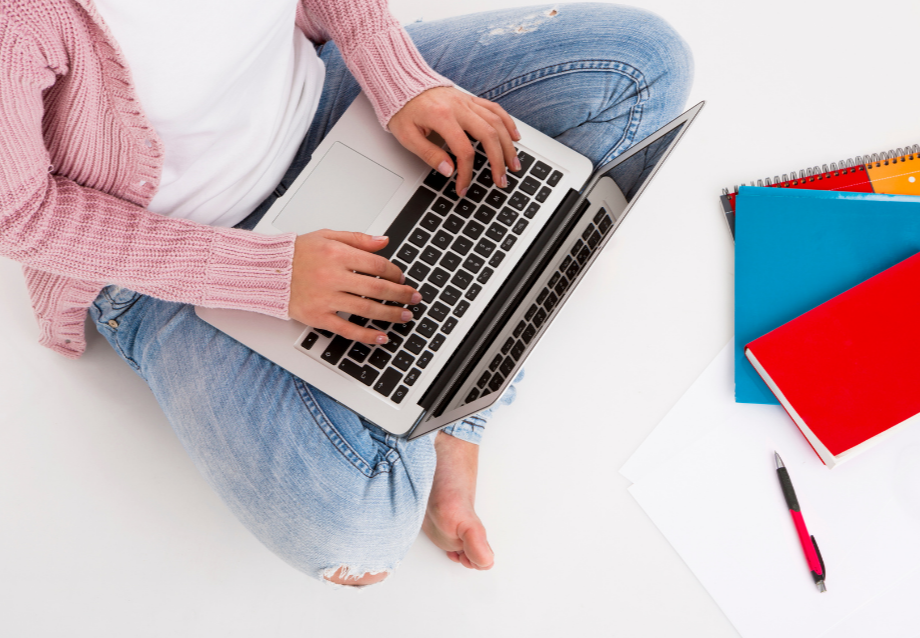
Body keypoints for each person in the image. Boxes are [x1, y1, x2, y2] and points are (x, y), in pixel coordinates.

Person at [0, 0, 692, 587]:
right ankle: (452, 377)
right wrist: (270, 275)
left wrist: (398, 79)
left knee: (641, 62)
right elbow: (20, 214)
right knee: (358, 529)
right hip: (170, 256)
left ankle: (454, 403)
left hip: (328, 103)